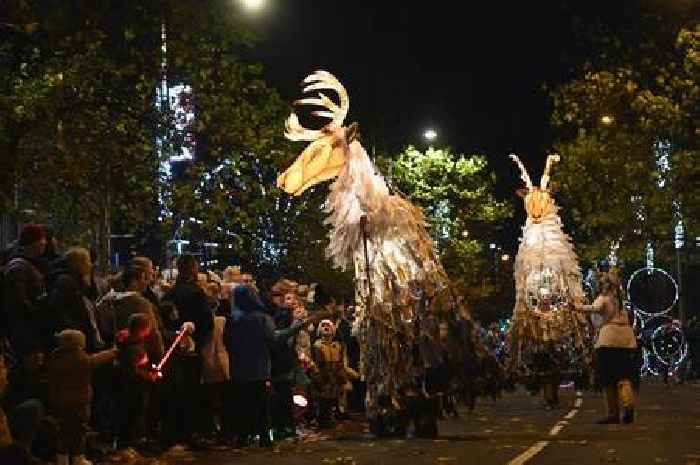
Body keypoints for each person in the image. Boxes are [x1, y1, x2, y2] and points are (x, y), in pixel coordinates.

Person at [225, 285, 303, 447]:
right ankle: (264, 436)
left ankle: (243, 435)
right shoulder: (261, 318)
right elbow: (273, 338)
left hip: (238, 366)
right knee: (261, 401)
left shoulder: (232, 319)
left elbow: (228, 341)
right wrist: (294, 328)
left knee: (242, 401)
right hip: (259, 365)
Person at [162, 254, 213, 449]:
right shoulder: (196, 293)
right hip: (192, 347)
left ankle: (174, 431)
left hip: (173, 348)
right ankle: (191, 431)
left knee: (176, 390)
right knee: (192, 391)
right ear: (193, 269)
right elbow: (207, 322)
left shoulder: (170, 294)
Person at [574, 271, 637, 424]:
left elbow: (594, 308)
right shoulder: (622, 302)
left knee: (608, 379)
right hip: (627, 340)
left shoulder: (604, 299)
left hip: (608, 340)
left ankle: (613, 413)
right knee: (624, 376)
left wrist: (576, 307)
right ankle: (628, 404)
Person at [48, 330, 117, 465]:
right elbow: (94, 360)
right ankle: (77, 457)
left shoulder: (57, 357)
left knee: (64, 431)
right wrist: (112, 352)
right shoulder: (78, 358)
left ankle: (62, 458)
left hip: (61, 401)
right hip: (78, 401)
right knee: (78, 431)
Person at [2, 224, 49, 361]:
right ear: (33, 242)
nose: (45, 243)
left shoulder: (27, 265)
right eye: (42, 239)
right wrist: (38, 316)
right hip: (25, 335)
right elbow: (18, 303)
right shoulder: (19, 266)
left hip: (28, 331)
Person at [50, 247, 103, 353]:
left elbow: (93, 295)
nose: (91, 265)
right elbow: (60, 310)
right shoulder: (66, 283)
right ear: (79, 264)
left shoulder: (78, 282)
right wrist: (76, 330)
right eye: (88, 261)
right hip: (75, 340)